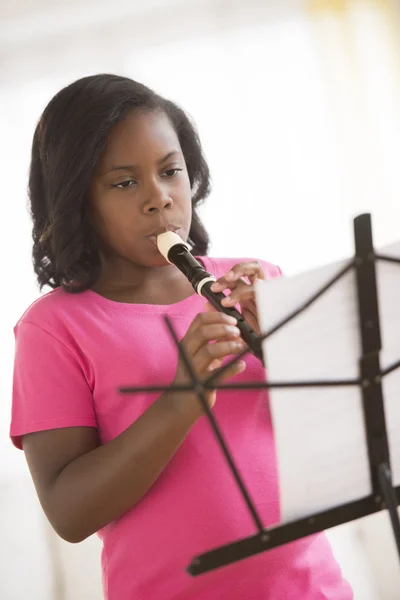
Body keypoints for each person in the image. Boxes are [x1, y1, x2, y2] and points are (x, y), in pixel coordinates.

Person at [10, 74, 352, 599]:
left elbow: (342, 436)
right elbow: (69, 513)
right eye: (124, 183)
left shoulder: (258, 279)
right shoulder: (53, 329)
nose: (159, 199)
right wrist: (182, 402)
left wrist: (282, 348)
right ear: (78, 199)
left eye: (171, 172)